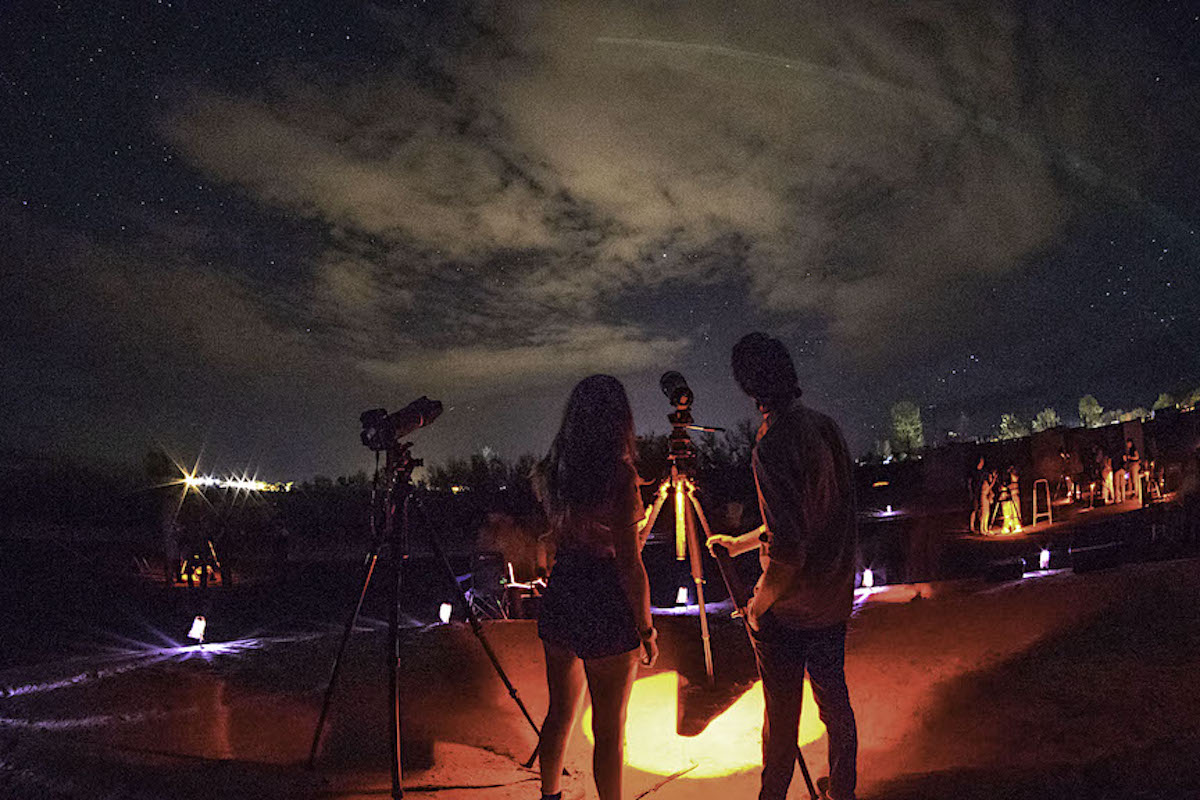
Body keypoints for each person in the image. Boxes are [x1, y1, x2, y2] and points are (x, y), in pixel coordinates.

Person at [706, 332, 859, 800]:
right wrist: (743, 542)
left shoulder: (771, 445)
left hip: (792, 612)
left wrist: (757, 603)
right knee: (836, 707)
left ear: (749, 387)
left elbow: (790, 551)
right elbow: (811, 519)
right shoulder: (824, 427)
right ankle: (844, 791)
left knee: (781, 720)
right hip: (833, 600)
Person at [533, 374, 658, 800]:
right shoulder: (619, 478)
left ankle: (549, 795)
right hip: (604, 601)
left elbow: (554, 536)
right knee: (609, 732)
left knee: (559, 714)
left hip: (564, 591)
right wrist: (645, 627)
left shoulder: (555, 472)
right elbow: (630, 564)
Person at [1125, 438, 1142, 504]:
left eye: (1128, 443)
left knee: (1135, 480)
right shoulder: (1129, 450)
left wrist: (1130, 457)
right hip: (1131, 465)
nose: (1127, 445)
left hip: (1134, 465)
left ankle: (1136, 493)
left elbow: (1137, 457)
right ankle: (1134, 492)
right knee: (1131, 480)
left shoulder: (1133, 450)